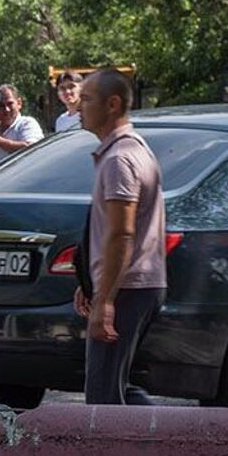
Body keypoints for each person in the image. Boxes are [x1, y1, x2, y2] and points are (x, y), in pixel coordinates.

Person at [75, 67, 165, 406]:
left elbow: (121, 234)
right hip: (130, 285)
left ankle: (160, 448)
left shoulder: (120, 159)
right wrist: (90, 282)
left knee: (103, 397)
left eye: (86, 99)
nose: (79, 106)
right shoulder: (129, 151)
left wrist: (105, 299)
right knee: (115, 389)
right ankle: (164, 443)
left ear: (112, 104)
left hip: (129, 288)